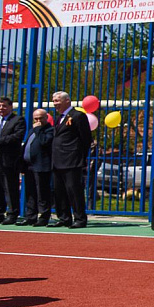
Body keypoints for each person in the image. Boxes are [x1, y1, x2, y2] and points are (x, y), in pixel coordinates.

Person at [49, 92, 92, 229]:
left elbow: (85, 139)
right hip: (57, 160)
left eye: (58, 100)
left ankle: (80, 218)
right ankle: (64, 217)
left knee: (74, 190)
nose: (55, 103)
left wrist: (80, 156)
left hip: (72, 160)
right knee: (59, 191)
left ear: (67, 100)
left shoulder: (78, 115)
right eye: (54, 101)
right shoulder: (59, 118)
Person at [18, 108, 54, 226]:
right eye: (36, 119)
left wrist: (38, 129)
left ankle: (43, 217)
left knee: (42, 192)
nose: (38, 121)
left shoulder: (50, 130)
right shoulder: (32, 130)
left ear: (46, 118)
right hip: (29, 166)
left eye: (41, 118)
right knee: (30, 192)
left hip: (41, 165)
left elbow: (45, 142)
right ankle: (30, 216)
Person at [0, 97, 27, 225]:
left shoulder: (17, 120)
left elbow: (17, 137)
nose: (1, 108)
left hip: (8, 159)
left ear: (10, 107)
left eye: (4, 106)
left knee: (10, 186)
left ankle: (12, 214)